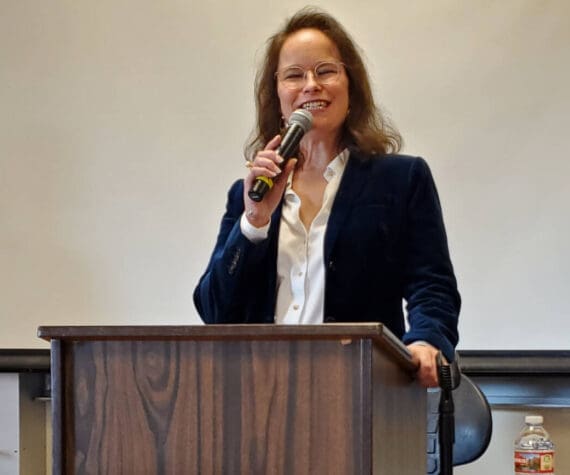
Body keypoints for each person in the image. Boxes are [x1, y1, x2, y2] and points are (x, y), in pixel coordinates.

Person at [193, 7, 460, 388]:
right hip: (258, 395)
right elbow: (215, 312)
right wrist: (254, 223)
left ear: (351, 87)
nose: (310, 85)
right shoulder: (249, 195)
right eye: (294, 75)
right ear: (278, 98)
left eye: (325, 71)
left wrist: (427, 341)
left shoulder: (401, 180)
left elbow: (432, 285)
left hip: (362, 391)